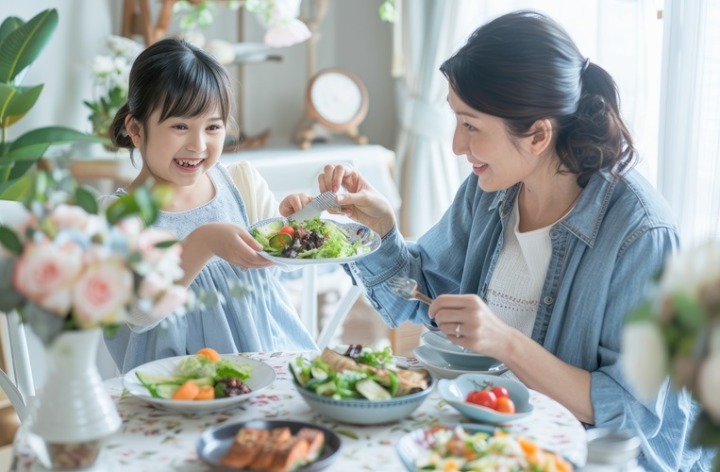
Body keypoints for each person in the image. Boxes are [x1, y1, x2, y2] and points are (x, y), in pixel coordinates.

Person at [280, 10, 712, 471]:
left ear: (539, 134)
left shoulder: (641, 234)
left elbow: (630, 414)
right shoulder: (490, 191)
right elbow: (419, 301)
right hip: (500, 432)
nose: (455, 145)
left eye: (471, 126)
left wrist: (505, 343)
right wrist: (380, 231)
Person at [104, 38, 316, 373]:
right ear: (135, 128)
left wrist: (299, 219)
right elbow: (139, 313)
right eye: (179, 126)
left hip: (268, 367)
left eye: (213, 127)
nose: (198, 145)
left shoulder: (242, 183)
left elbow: (280, 262)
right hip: (177, 390)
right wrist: (202, 243)